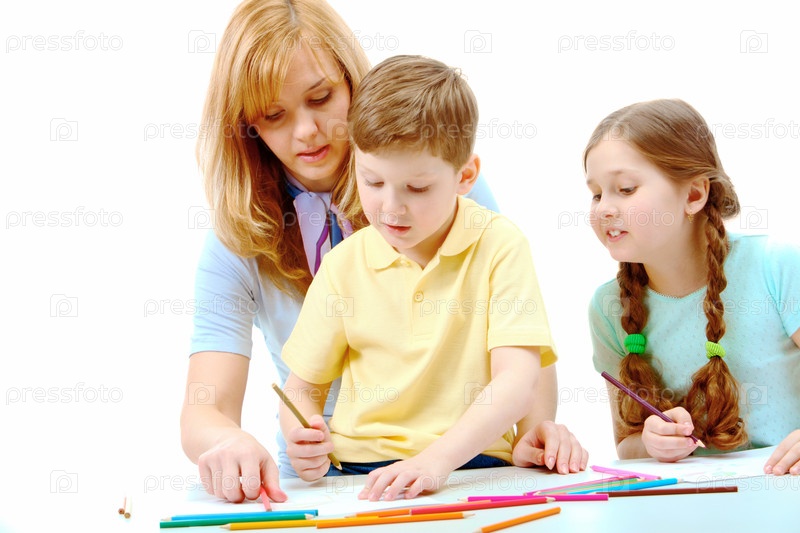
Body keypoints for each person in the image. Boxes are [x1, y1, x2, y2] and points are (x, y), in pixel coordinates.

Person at [181, 0, 582, 505]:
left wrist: (533, 431)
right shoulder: (242, 238)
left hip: (465, 462)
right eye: (274, 115)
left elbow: (517, 344)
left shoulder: (446, 190)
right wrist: (231, 441)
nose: (306, 131)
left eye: (321, 97)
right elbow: (208, 406)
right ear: (248, 126)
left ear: (353, 84)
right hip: (334, 476)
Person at [279, 54, 587, 502]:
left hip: (475, 467)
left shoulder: (499, 245)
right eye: (373, 181)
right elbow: (301, 390)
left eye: (417, 188)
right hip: (360, 476)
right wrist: (302, 436)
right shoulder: (344, 265)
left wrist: (434, 462)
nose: (390, 207)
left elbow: (517, 381)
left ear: (466, 175)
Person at [584, 98, 800, 474]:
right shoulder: (608, 307)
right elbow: (626, 443)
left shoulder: (775, 266)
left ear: (695, 195)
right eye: (597, 193)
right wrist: (650, 442)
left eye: (626, 188)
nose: (603, 208)